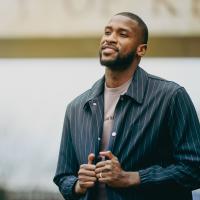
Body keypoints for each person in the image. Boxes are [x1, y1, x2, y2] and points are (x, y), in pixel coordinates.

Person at [53, 12, 200, 200]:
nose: (110, 39)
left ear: (141, 49)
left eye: (122, 34)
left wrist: (132, 178)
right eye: (107, 32)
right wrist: (78, 185)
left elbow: (194, 168)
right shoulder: (76, 108)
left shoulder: (170, 97)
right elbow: (63, 176)